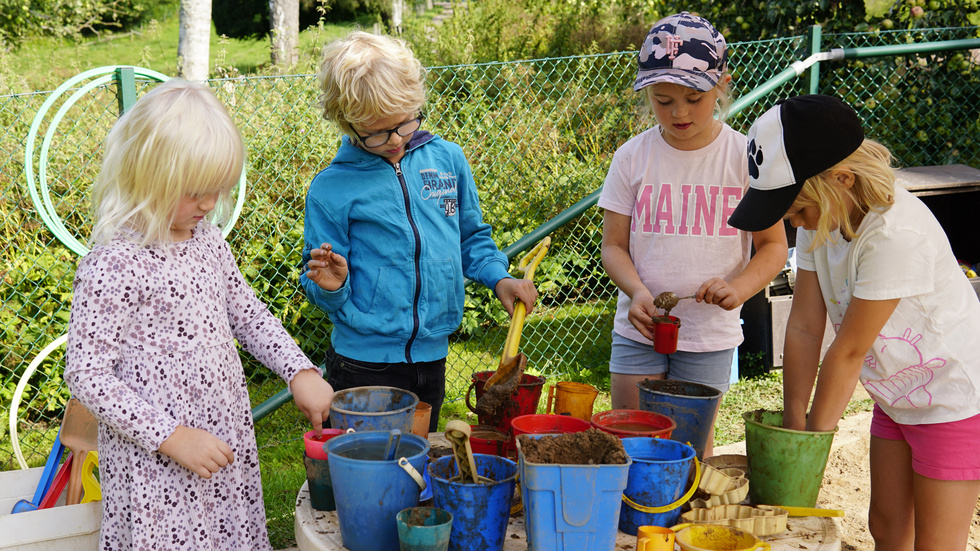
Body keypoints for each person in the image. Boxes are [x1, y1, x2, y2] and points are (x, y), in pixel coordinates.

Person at [65, 79, 335, 550]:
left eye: (218, 190)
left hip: (220, 435)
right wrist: (169, 436)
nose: (210, 205)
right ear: (149, 176)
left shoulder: (207, 240)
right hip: (155, 464)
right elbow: (87, 376)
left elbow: (247, 314)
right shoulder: (113, 264)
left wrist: (298, 370)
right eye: (197, 192)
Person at [728, 94, 980, 550]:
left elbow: (847, 351)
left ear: (841, 180)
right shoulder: (818, 222)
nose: (792, 222)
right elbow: (805, 324)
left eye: (797, 210)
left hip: (954, 400)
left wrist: (807, 455)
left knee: (938, 542)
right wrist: (793, 425)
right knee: (886, 528)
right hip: (897, 392)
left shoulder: (894, 233)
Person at [301, 31, 538, 432]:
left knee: (416, 474)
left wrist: (499, 278)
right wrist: (330, 285)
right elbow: (320, 284)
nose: (395, 141)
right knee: (368, 479)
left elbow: (471, 239)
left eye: (404, 124)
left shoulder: (448, 159)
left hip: (432, 360)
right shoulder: (331, 189)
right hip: (364, 365)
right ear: (347, 122)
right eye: (376, 133)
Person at [598, 12, 788, 456]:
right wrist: (637, 290)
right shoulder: (631, 158)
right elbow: (614, 247)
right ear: (647, 95)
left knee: (689, 451)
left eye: (694, 98)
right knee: (626, 446)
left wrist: (739, 288)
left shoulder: (744, 157)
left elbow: (774, 246)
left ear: (721, 86)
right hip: (638, 327)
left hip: (709, 336)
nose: (679, 112)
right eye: (663, 101)